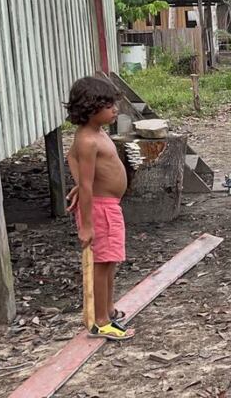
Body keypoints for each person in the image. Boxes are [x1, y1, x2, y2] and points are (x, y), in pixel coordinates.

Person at [66, 75, 135, 340]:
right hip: (100, 211)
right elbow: (85, 183)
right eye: (109, 106)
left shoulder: (97, 132)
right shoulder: (88, 140)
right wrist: (86, 224)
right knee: (101, 263)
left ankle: (108, 309)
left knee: (110, 261)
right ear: (91, 108)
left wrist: (81, 186)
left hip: (109, 206)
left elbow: (71, 159)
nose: (115, 110)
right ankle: (100, 321)